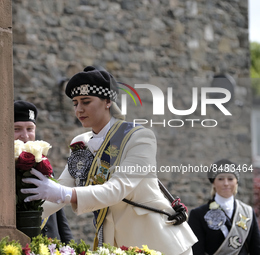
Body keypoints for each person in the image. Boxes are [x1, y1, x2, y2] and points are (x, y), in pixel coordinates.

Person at [20, 66, 198, 255]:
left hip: (159, 242)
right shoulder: (80, 143)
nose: (79, 109)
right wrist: (19, 221)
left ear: (107, 101)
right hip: (116, 245)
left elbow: (118, 188)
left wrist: (64, 193)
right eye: (75, 103)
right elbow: (59, 190)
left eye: (86, 102)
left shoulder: (139, 138)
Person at [14, 100, 73, 243]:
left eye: (30, 129)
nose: (25, 136)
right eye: (17, 129)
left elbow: (58, 211)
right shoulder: (1, 167)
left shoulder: (41, 162)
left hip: (51, 244)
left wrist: (69, 243)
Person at [188, 159, 260, 255]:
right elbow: (197, 251)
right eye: (220, 179)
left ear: (236, 182)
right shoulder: (198, 214)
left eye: (230, 179)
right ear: (213, 183)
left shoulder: (248, 212)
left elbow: (256, 249)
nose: (226, 183)